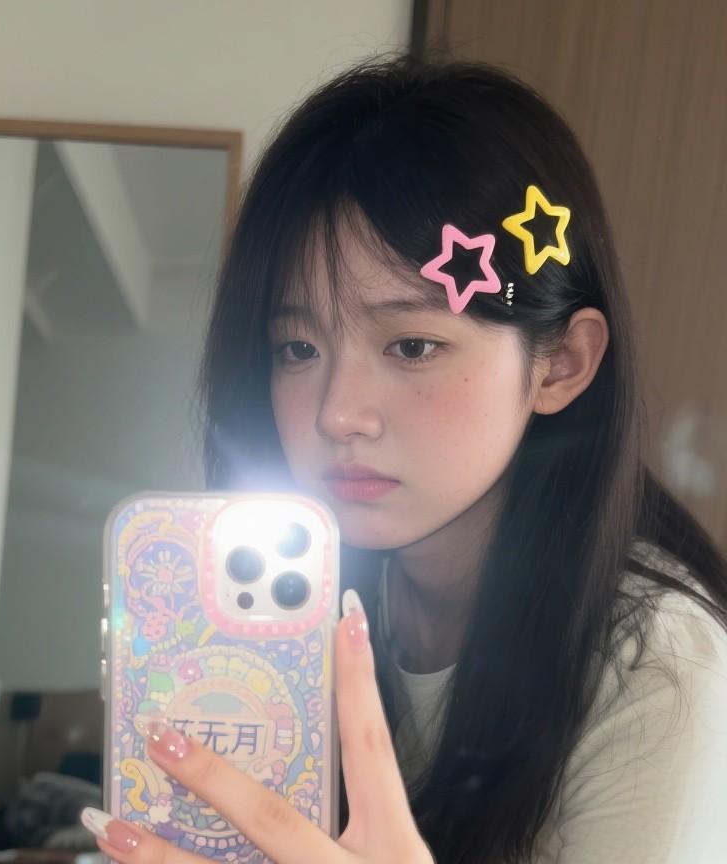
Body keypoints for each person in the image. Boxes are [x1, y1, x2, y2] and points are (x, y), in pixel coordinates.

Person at [83, 55, 727, 863]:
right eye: (297, 347)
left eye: (412, 345)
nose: (335, 413)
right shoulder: (310, 605)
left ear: (560, 364)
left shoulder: (658, 668)